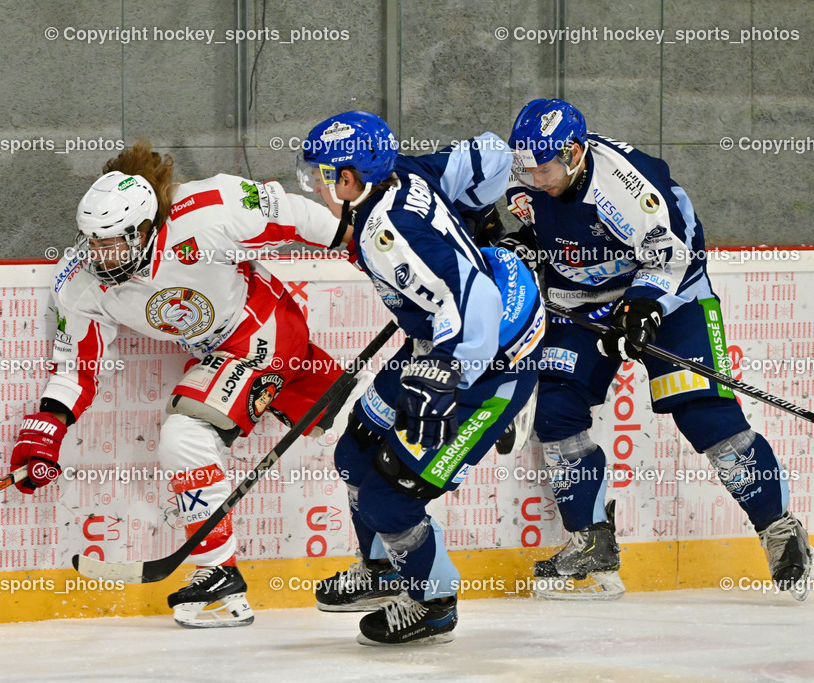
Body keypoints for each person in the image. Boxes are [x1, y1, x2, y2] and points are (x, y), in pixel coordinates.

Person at [8, 141, 351, 627]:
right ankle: (224, 574)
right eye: (92, 241)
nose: (100, 255)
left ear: (144, 229)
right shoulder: (82, 282)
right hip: (218, 353)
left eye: (112, 241)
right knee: (354, 435)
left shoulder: (207, 214)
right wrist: (47, 427)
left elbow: (293, 214)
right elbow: (76, 367)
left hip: (264, 327)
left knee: (185, 435)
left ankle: (218, 571)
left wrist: (360, 243)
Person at [502, 97, 813, 601]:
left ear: (576, 152)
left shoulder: (627, 185)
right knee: (556, 404)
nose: (536, 180)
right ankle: (591, 543)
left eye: (547, 169)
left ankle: (779, 531)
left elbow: (677, 249)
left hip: (669, 295)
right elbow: (533, 226)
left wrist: (643, 305)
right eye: (528, 170)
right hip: (579, 303)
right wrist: (515, 243)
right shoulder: (524, 171)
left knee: (705, 415)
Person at [298, 111, 546, 644]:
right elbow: (491, 155)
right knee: (355, 451)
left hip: (488, 366)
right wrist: (478, 213)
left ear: (349, 179)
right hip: (444, 343)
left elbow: (474, 301)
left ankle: (432, 599)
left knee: (392, 499)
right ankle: (384, 571)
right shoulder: (406, 173)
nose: (316, 185)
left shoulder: (389, 235)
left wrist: (448, 375)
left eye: (321, 174)